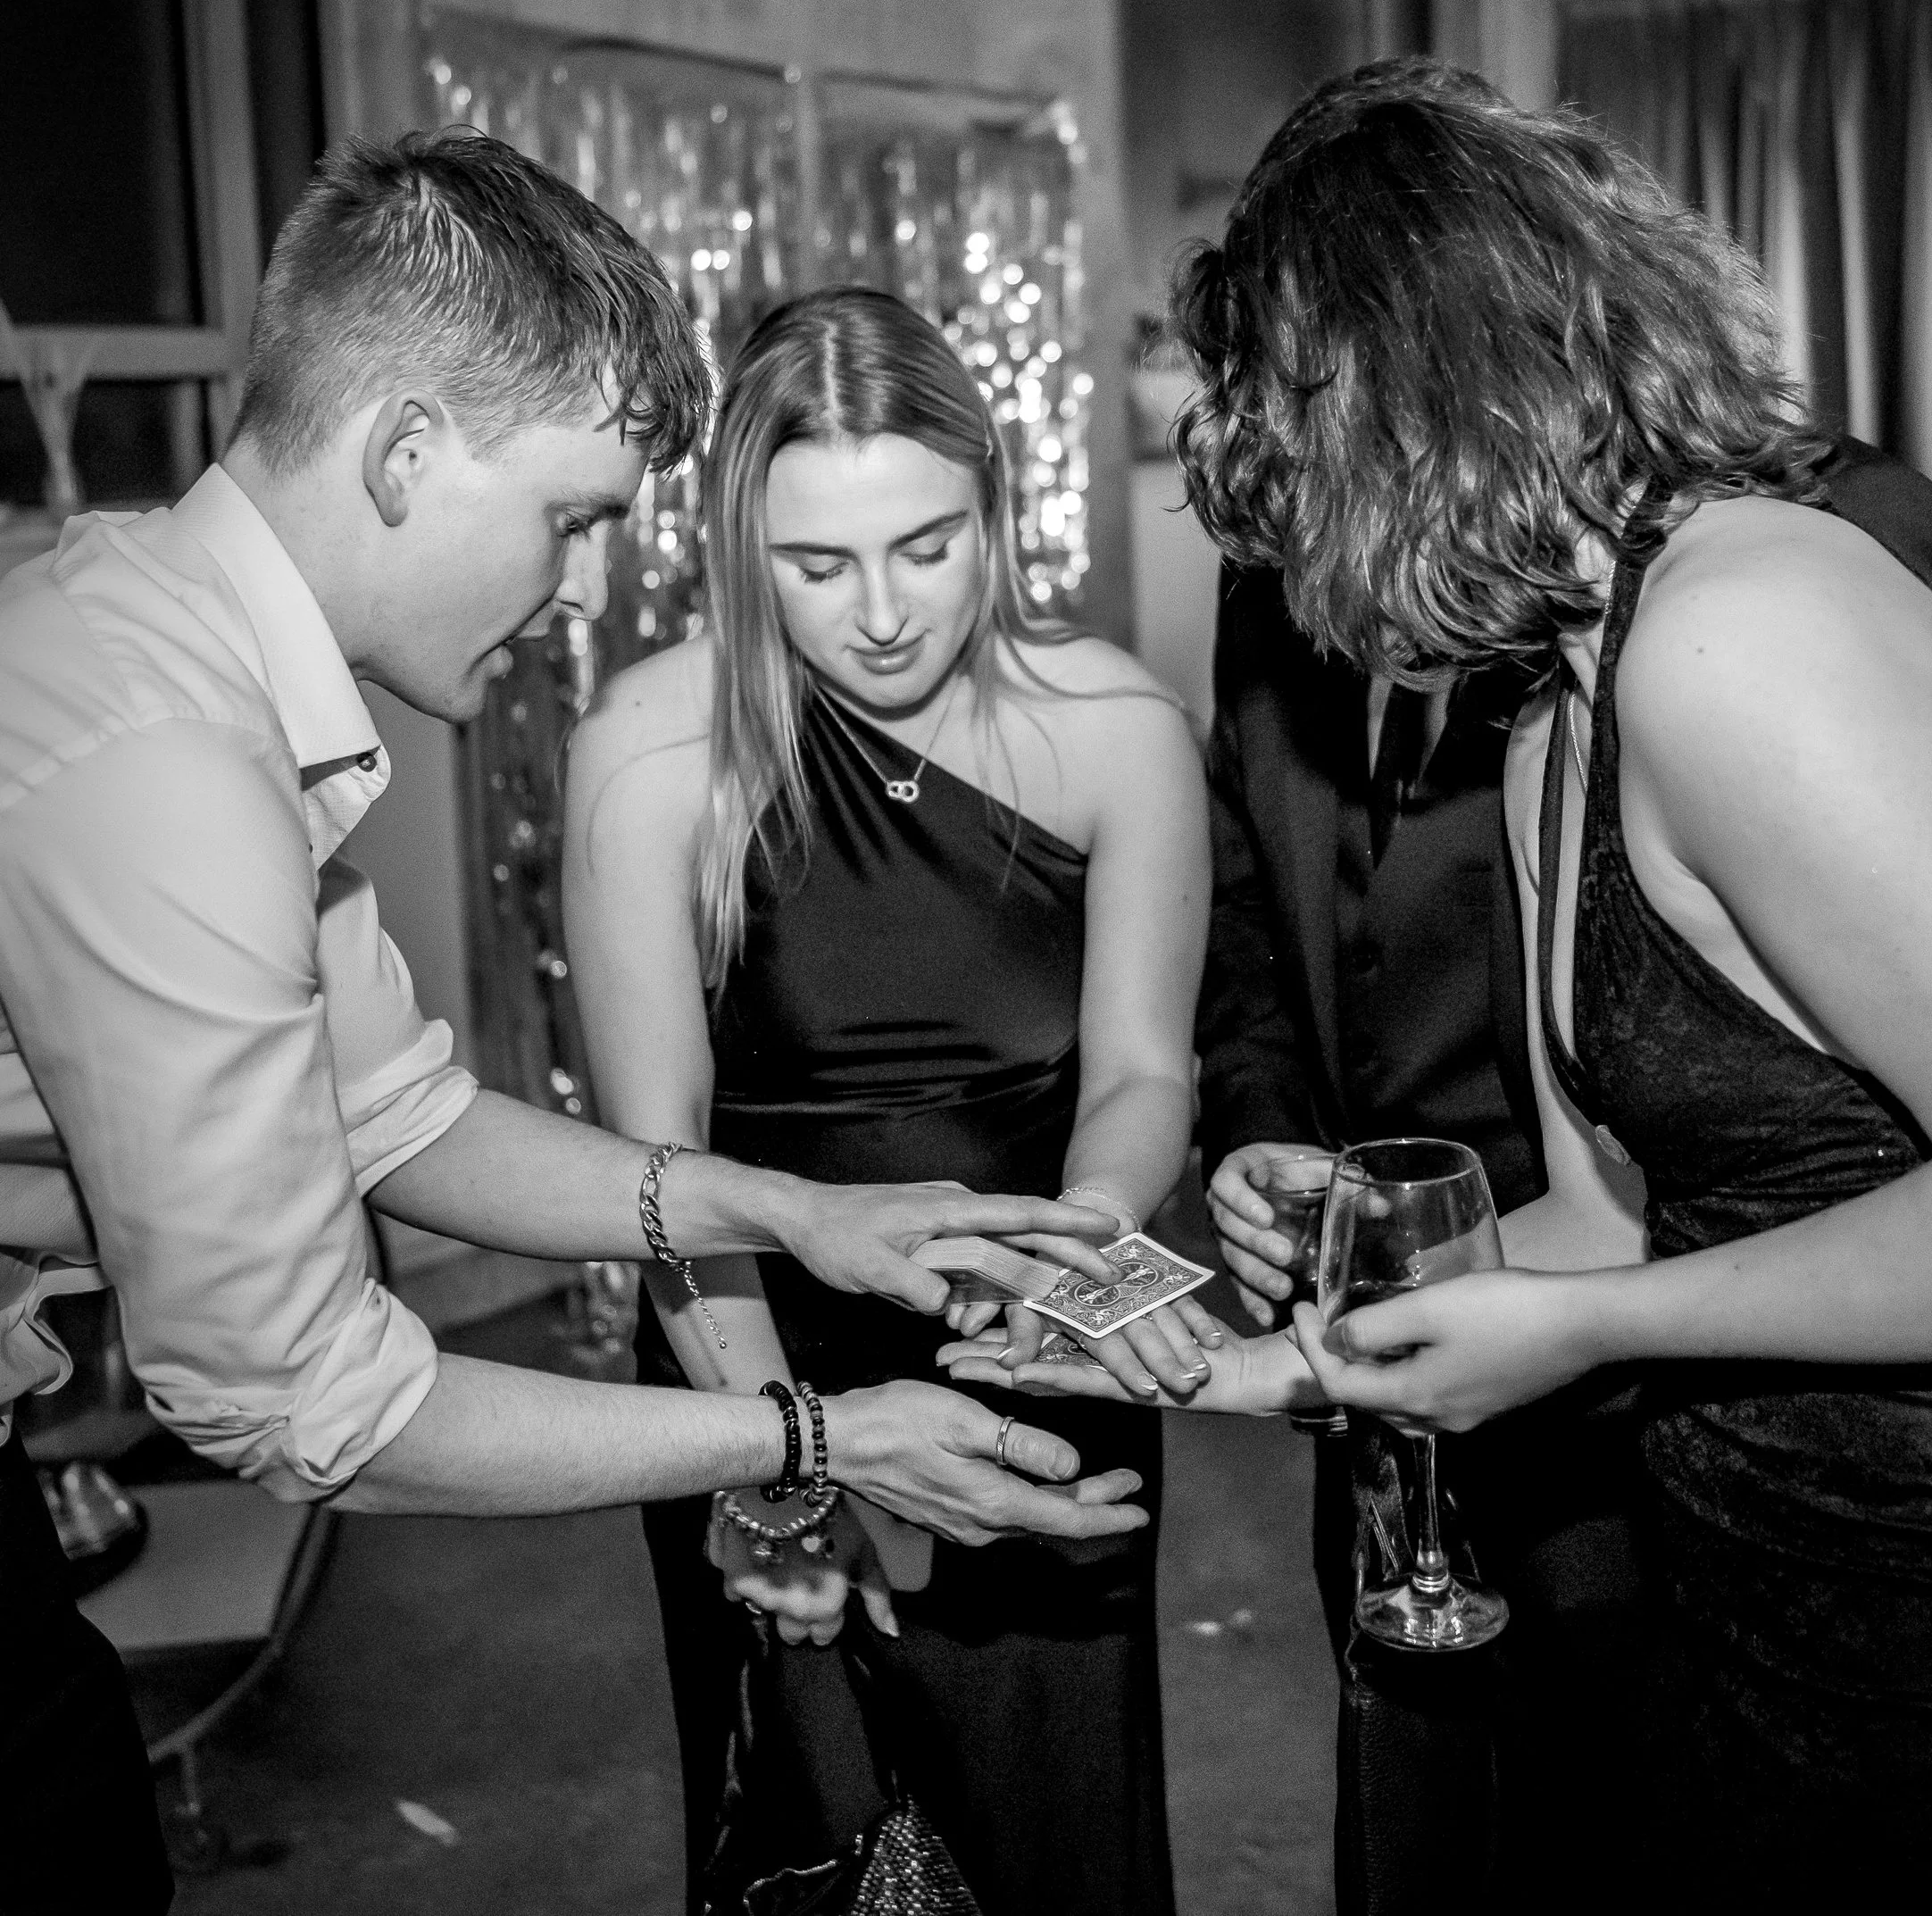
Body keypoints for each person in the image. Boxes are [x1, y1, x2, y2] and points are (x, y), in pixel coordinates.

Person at [958, 60, 1932, 1909]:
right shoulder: (1565, 699)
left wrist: (1585, 1335)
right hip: (1754, 1605)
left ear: (1408, 401)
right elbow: (1600, 1216)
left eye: (1290, 480)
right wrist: (1243, 1368)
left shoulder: (1749, 632)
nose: (1297, 580)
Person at [0, 136, 1147, 1916]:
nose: (567, 585)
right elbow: (303, 1408)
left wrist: (790, 1213)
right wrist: (815, 1440)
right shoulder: (165, 765)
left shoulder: (174, 653)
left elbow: (402, 1123)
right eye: (566, 521)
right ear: (401, 452)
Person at [562, 285, 1212, 1916]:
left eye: (928, 544)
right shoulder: (652, 747)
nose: (882, 614)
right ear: (734, 544)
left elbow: (1145, 1071)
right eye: (816, 564)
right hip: (750, 1351)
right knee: (821, 1852)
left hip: (1042, 1338)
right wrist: (779, 1468)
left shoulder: (1119, 730)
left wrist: (1086, 1266)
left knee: (1056, 1833)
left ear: (998, 503)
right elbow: (660, 1170)